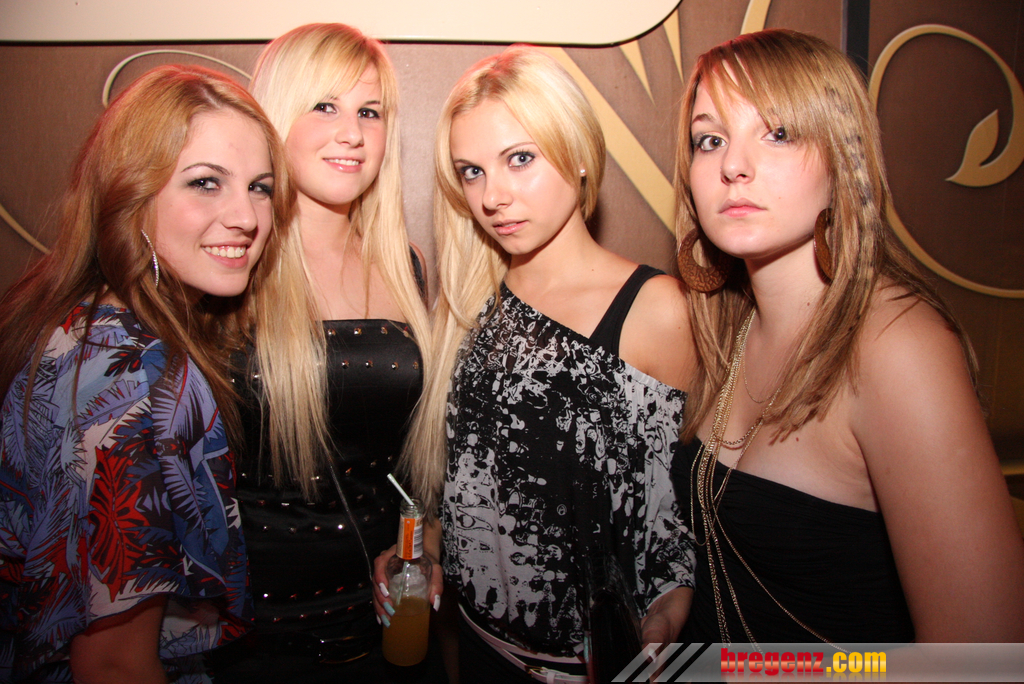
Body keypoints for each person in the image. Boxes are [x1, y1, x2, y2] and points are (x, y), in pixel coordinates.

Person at [673, 28, 1024, 644]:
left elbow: (982, 655)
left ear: (843, 158)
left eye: (778, 133)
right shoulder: (727, 324)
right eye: (711, 139)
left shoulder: (898, 346)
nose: (732, 165)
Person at [386, 46, 696, 683]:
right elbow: (463, 481)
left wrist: (670, 610)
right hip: (477, 653)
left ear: (577, 151)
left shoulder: (655, 309)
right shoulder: (470, 304)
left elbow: (677, 510)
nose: (492, 196)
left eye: (519, 159)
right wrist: (421, 551)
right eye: (472, 172)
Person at [0, 64, 293, 682]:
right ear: (129, 194)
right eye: (205, 183)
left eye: (260, 187)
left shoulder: (85, 325)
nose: (246, 216)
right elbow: (112, 663)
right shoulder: (135, 381)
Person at [206, 23, 436, 682]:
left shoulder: (404, 265)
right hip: (255, 634)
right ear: (276, 116)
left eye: (370, 112)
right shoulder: (228, 263)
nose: (353, 133)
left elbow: (416, 460)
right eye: (325, 105)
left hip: (386, 619)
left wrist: (423, 546)